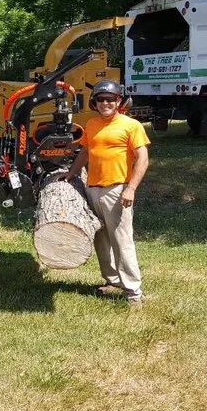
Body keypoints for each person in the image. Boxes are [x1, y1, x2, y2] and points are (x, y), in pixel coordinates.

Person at [57, 79, 150, 309]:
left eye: (110, 99)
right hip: (93, 189)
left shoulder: (131, 125)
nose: (105, 103)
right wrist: (71, 173)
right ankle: (112, 280)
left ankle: (133, 292)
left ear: (119, 101)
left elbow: (143, 158)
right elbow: (85, 152)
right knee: (101, 238)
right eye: (101, 99)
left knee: (121, 240)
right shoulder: (91, 124)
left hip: (117, 190)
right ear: (94, 102)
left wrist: (130, 188)